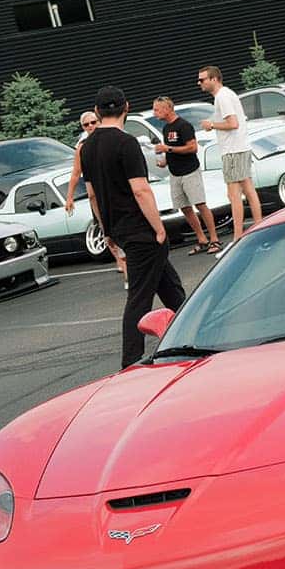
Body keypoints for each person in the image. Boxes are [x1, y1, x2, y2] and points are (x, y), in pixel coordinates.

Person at [79, 87, 186, 368]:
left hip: (121, 230)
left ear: (97, 110)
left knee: (172, 289)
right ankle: (130, 362)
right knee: (139, 300)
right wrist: (158, 227)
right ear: (126, 107)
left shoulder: (87, 148)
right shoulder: (126, 143)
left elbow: (92, 195)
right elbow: (141, 190)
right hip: (142, 230)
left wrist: (107, 231)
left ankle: (196, 335)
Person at [197, 66, 262, 252]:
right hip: (239, 147)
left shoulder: (222, 96)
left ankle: (237, 237)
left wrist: (211, 125)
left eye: (202, 80)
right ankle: (258, 226)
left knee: (234, 194)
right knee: (248, 190)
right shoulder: (227, 95)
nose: (199, 83)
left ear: (214, 79)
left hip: (233, 150)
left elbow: (232, 123)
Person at [66, 109, 127, 287]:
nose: (91, 126)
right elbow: (76, 173)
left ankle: (127, 266)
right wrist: (69, 197)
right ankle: (121, 263)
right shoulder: (83, 147)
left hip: (115, 193)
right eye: (86, 124)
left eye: (93, 122)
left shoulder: (111, 138)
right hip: (98, 196)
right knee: (107, 231)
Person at [152, 96, 219, 255]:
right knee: (184, 207)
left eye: (157, 109)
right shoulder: (166, 128)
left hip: (190, 171)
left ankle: (214, 239)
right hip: (175, 174)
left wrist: (167, 149)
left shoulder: (184, 125)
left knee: (200, 204)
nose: (155, 113)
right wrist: (165, 161)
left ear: (167, 109)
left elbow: (192, 148)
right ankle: (201, 239)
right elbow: (172, 148)